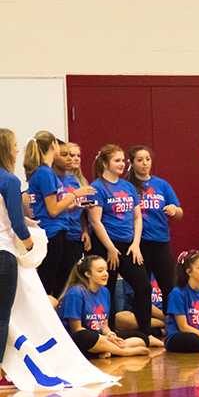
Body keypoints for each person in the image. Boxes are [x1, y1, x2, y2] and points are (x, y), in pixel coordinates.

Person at [87, 144, 158, 346]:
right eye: (117, 160)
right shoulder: (98, 187)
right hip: (106, 246)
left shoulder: (127, 187)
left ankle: (145, 333)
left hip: (129, 245)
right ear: (105, 163)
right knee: (106, 289)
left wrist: (136, 244)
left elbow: (137, 217)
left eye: (123, 160)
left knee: (143, 287)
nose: (122, 164)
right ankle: (108, 335)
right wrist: (110, 248)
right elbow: (95, 221)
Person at [25, 131, 94, 297]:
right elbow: (53, 209)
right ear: (53, 146)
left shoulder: (45, 172)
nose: (69, 156)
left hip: (58, 230)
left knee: (58, 279)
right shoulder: (45, 172)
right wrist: (75, 194)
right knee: (48, 280)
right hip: (52, 231)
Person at [126, 145, 182, 312]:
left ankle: (170, 324)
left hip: (160, 241)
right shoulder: (126, 185)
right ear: (132, 162)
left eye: (148, 159)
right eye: (140, 160)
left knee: (169, 286)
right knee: (142, 288)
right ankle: (146, 328)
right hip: (137, 243)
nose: (144, 163)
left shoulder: (162, 185)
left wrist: (174, 210)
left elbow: (179, 212)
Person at [58, 256, 149, 357]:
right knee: (85, 337)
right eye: (100, 271)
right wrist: (104, 338)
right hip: (79, 339)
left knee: (141, 337)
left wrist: (110, 334)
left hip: (100, 338)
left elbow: (104, 325)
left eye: (106, 270)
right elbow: (76, 330)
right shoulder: (76, 293)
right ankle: (123, 352)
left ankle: (107, 350)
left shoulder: (105, 292)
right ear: (87, 273)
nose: (105, 274)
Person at [0, 128, 35, 378]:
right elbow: (16, 223)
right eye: (14, 145)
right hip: (3, 252)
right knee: (2, 316)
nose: (17, 149)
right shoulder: (9, 180)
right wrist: (30, 243)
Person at [59, 141, 93, 287]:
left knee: (73, 276)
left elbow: (82, 213)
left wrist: (85, 230)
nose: (75, 158)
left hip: (76, 234)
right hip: (62, 233)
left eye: (78, 155)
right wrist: (71, 203)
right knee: (61, 276)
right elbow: (54, 207)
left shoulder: (81, 181)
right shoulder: (58, 179)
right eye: (70, 155)